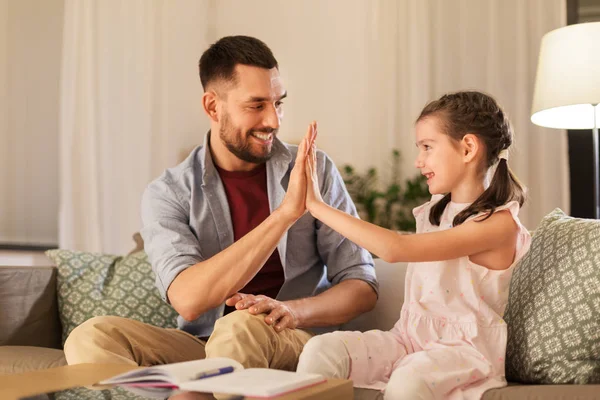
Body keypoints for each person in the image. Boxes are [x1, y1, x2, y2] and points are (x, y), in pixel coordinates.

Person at [63, 35, 378, 370]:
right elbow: (188, 300)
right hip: (202, 345)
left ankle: (198, 390)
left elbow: (362, 285)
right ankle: (200, 388)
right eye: (257, 105)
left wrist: (292, 311)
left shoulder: (314, 170)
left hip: (290, 337)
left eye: (278, 103)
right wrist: (284, 215)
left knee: (238, 328)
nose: (274, 120)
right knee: (91, 336)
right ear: (213, 106)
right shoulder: (169, 192)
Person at [296, 91, 532, 399]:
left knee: (410, 379)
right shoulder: (435, 213)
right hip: (409, 340)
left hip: (464, 353)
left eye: (427, 147)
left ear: (468, 148)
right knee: (323, 349)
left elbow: (395, 249)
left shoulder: (498, 224)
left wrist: (317, 205)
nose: (419, 161)